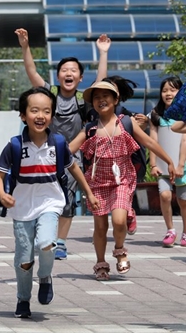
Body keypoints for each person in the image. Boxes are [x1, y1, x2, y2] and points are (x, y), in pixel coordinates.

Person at [0, 87, 98, 318]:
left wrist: (89, 193)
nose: (40, 115)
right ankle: (23, 299)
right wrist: (2, 194)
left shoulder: (58, 143)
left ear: (52, 115)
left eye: (46, 111)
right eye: (34, 110)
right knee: (24, 259)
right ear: (23, 115)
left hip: (50, 203)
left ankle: (45, 276)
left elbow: (74, 169)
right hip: (21, 209)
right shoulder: (14, 146)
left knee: (47, 244)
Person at [15, 28, 111, 260]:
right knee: (41, 195)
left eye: (73, 71)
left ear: (79, 78)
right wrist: (25, 47)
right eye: (64, 70)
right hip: (44, 154)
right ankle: (41, 234)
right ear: (58, 76)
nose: (69, 73)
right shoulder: (50, 94)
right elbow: (32, 72)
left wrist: (103, 53)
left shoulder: (83, 99)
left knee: (67, 200)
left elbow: (102, 81)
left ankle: (60, 242)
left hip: (71, 156)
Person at [69, 79, 175, 281]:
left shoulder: (126, 122)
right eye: (97, 98)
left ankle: (120, 250)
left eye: (105, 96)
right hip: (97, 184)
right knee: (100, 227)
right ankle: (100, 264)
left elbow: (149, 141)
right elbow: (68, 149)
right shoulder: (90, 128)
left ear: (115, 99)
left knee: (118, 221)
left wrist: (168, 160)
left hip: (122, 181)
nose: (101, 100)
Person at [148, 77, 186, 247]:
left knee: (183, 201)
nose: (168, 94)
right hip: (163, 168)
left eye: (173, 90)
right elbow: (153, 140)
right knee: (164, 195)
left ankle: (185, 232)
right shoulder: (156, 115)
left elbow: (184, 140)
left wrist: (180, 165)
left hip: (181, 166)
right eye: (165, 90)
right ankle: (170, 229)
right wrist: (154, 164)